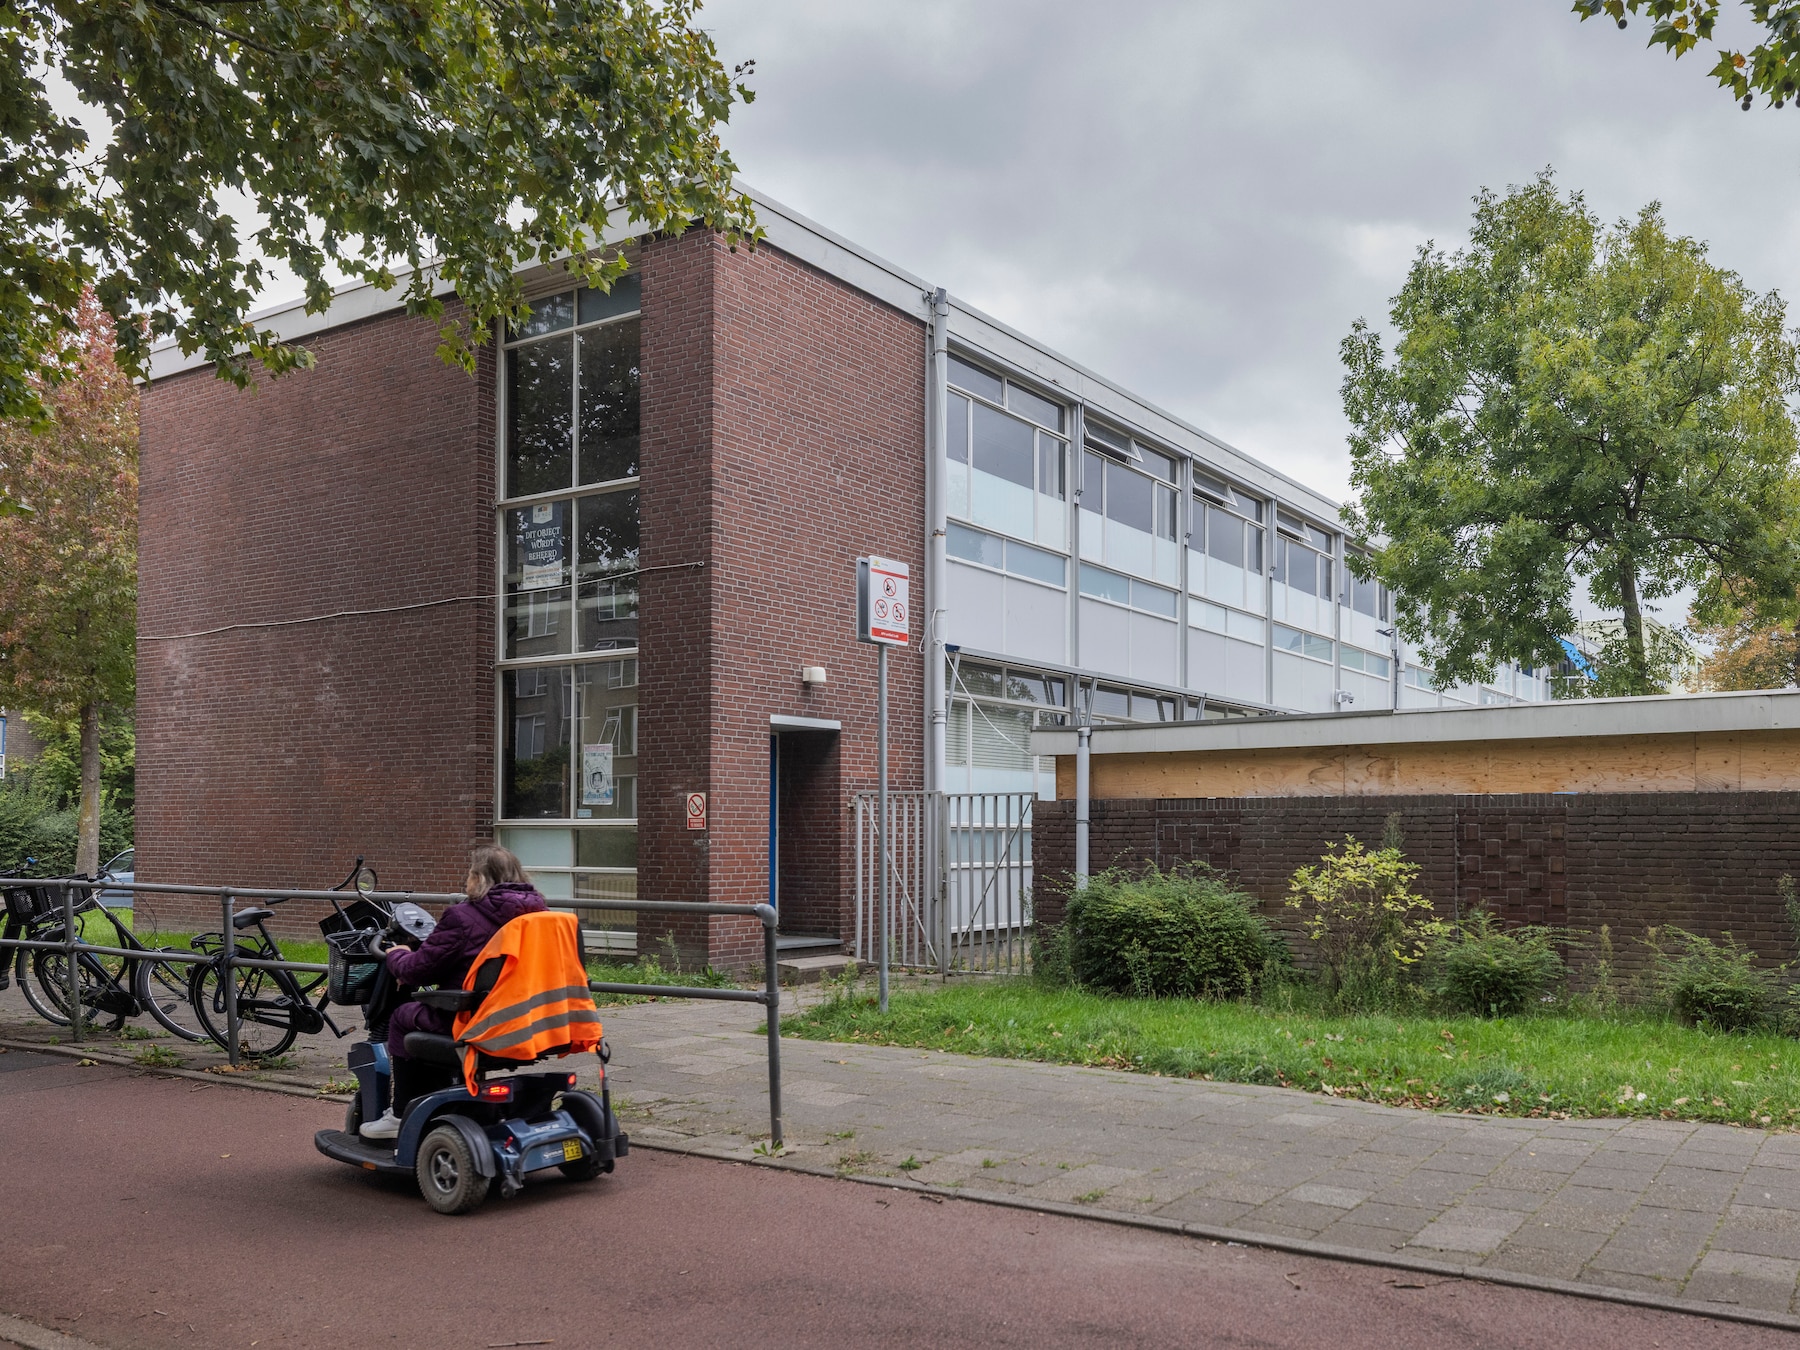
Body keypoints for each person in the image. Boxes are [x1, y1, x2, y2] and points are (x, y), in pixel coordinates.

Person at [359, 844, 547, 1140]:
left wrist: (398, 954)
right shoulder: (541, 917)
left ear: (478, 877)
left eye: (470, 873)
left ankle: (398, 1114)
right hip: (529, 1020)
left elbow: (417, 971)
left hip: (475, 1021)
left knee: (403, 1016)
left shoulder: (462, 917)